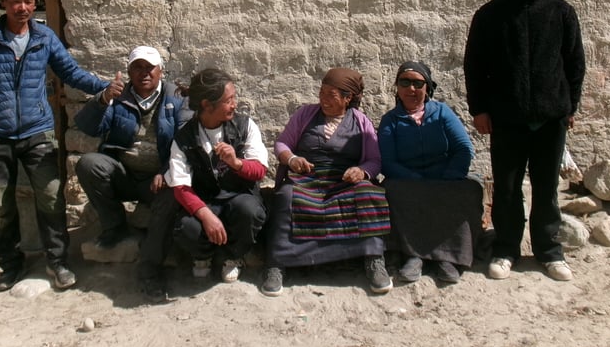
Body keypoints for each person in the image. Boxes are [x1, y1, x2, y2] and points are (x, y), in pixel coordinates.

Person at [0, 0, 109, 292]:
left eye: (29, 1)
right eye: (16, 1)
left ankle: (57, 263)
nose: (23, 7)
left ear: (35, 4)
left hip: (37, 133)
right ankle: (10, 266)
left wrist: (105, 88)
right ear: (4, 3)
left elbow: (71, 73)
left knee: (51, 198)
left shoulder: (44, 38)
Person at [464, 0, 585, 282]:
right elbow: (475, 67)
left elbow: (575, 63)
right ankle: (506, 250)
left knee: (547, 188)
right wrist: (479, 109)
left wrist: (569, 106)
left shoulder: (561, 12)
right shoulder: (489, 15)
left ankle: (550, 252)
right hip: (506, 118)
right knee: (507, 188)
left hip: (550, 118)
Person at [261, 68, 392, 297]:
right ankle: (277, 263)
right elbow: (282, 144)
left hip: (344, 181)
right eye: (321, 92)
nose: (323, 99)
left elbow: (374, 160)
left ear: (347, 98)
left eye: (331, 95)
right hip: (307, 178)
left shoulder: (361, 121)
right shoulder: (305, 114)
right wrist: (292, 159)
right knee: (286, 196)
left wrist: (361, 172)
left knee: (368, 194)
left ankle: (373, 259)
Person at [74, 45, 189, 302]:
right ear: (129, 71)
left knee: (172, 195)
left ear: (160, 71)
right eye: (137, 67)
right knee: (89, 164)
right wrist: (102, 100)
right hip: (124, 173)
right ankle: (115, 227)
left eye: (150, 68)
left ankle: (150, 268)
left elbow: (185, 141)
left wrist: (166, 171)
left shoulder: (176, 99)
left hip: (158, 180)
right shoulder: (119, 96)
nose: (144, 73)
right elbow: (88, 127)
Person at [378, 61, 483, 285]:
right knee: (392, 191)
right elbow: (387, 161)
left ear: (427, 87)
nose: (411, 89)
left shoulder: (442, 112)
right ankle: (413, 255)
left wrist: (449, 175)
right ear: (397, 87)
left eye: (418, 83)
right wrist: (416, 179)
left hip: (444, 177)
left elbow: (463, 148)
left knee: (470, 190)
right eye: (405, 83)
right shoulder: (390, 120)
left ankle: (448, 257)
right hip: (408, 179)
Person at [164, 68, 268, 284]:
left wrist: (236, 163)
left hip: (238, 196)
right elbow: (181, 188)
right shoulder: (184, 138)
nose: (234, 105)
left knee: (250, 211)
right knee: (187, 227)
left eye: (234, 98)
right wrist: (206, 215)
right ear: (207, 105)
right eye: (228, 100)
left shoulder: (244, 126)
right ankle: (203, 256)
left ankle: (233, 256)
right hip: (206, 200)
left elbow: (260, 170)